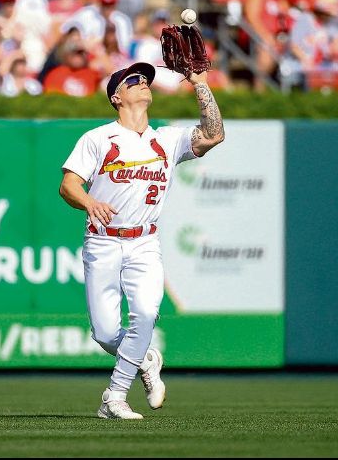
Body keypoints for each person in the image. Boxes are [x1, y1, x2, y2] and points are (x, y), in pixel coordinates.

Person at [58, 62, 224, 419]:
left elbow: (213, 135)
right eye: (133, 80)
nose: (143, 82)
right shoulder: (98, 138)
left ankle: (114, 397)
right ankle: (145, 360)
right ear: (116, 97)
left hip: (145, 242)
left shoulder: (167, 138)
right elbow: (68, 185)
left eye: (146, 79)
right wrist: (89, 201)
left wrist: (200, 84)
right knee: (104, 333)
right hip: (102, 241)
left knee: (146, 313)